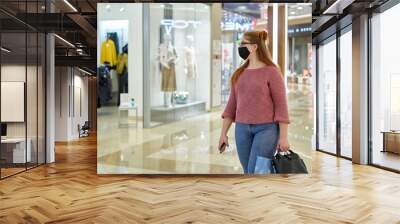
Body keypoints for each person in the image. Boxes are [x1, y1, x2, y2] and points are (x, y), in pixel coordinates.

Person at [218, 30, 290, 174]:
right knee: (247, 172)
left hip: (267, 130)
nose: (240, 47)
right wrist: (223, 133)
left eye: (243, 43)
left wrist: (283, 138)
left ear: (255, 47)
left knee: (257, 172)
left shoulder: (272, 72)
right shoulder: (239, 73)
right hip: (242, 129)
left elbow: (281, 107)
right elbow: (231, 106)